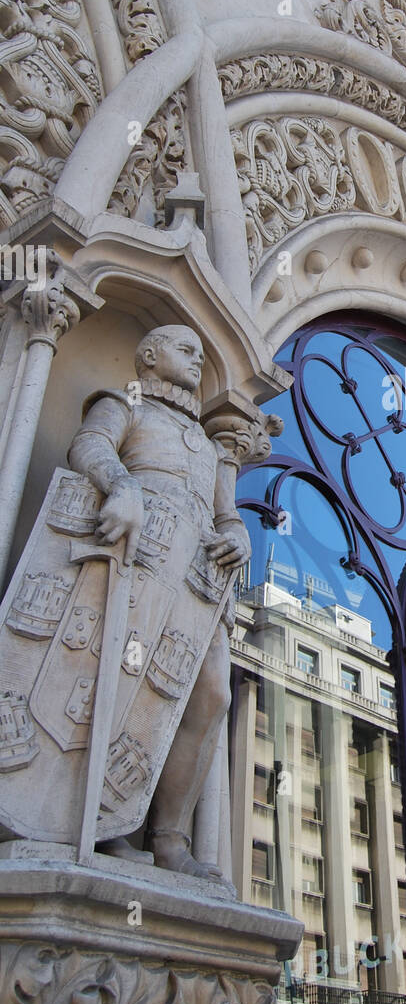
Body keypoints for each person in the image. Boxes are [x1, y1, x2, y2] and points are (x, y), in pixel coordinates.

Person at [67, 324, 250, 878]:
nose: (197, 360)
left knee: (212, 696)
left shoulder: (209, 445)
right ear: (149, 354)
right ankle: (108, 827)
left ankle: (170, 837)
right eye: (184, 349)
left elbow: (227, 514)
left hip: (199, 582)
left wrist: (238, 535)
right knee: (126, 687)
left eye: (201, 353)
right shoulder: (125, 402)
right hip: (139, 564)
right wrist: (121, 485)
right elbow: (89, 445)